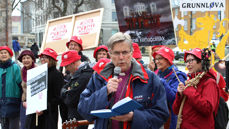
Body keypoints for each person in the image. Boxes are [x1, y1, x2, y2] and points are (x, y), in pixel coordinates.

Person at [78, 32, 169, 129]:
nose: (121, 57)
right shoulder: (99, 77)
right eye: (116, 53)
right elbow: (84, 110)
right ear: (110, 54)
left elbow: (162, 115)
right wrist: (105, 92)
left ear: (132, 53)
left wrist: (134, 117)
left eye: (125, 52)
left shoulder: (149, 78)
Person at [172, 48, 219, 129]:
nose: (188, 64)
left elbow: (207, 109)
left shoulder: (210, 82)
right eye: (186, 61)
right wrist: (179, 95)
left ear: (201, 62)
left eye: (191, 60)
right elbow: (176, 111)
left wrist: (189, 90)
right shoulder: (189, 82)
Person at [26, 48, 64, 129]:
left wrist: (44, 107)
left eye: (45, 57)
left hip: (49, 113)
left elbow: (58, 97)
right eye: (41, 57)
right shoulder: (38, 72)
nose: (43, 59)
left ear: (52, 59)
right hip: (36, 112)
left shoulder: (57, 75)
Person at [153, 46, 187, 129]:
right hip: (157, 117)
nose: (157, 61)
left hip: (171, 120)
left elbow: (174, 99)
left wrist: (162, 82)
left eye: (160, 58)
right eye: (156, 59)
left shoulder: (178, 76)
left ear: (168, 60)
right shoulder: (158, 73)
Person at [60, 50, 94, 129]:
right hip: (75, 117)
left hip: (80, 117)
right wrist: (66, 92)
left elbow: (70, 100)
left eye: (66, 66)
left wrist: (66, 92)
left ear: (73, 63)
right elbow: (63, 89)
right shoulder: (77, 74)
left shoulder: (84, 76)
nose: (66, 69)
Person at [0, 46, 22, 129]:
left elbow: (21, 84)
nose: (3, 55)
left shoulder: (15, 67)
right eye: (1, 53)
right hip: (1, 104)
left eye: (5, 53)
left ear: (10, 55)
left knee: (14, 126)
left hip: (13, 103)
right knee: (4, 126)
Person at [18, 50, 36, 129]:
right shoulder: (22, 71)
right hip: (25, 103)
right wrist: (24, 100)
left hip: (35, 103)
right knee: (24, 126)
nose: (26, 60)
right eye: (24, 58)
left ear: (32, 59)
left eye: (28, 58)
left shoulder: (37, 70)